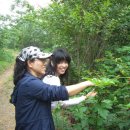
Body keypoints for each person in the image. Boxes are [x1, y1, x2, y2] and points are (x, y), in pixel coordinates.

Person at [10, 46, 94, 130]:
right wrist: (87, 83)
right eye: (41, 60)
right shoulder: (29, 83)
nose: (45, 63)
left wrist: (84, 97)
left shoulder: (28, 80)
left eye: (45, 60)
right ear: (30, 63)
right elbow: (57, 93)